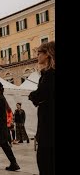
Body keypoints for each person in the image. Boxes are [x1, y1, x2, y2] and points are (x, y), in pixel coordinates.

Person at [28, 41, 55, 175]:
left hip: (48, 124)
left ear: (48, 54)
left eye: (39, 53)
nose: (37, 56)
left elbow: (41, 95)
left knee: (45, 161)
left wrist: (32, 95)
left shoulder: (49, 74)